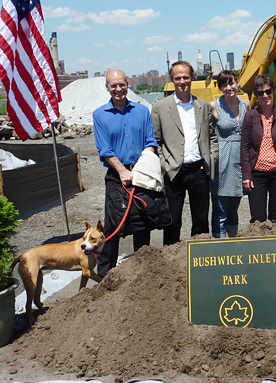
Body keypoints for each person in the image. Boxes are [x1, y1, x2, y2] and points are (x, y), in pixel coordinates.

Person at [93, 69, 157, 276]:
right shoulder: (100, 115)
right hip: (115, 175)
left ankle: (143, 269)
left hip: (141, 172)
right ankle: (105, 274)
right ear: (107, 88)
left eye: (121, 84)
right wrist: (122, 171)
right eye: (114, 85)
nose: (118, 89)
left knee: (143, 221)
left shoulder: (142, 111)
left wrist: (141, 168)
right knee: (113, 225)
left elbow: (150, 142)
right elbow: (105, 150)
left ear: (128, 84)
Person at [152, 61, 218, 245]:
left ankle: (200, 255)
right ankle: (172, 260)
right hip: (174, 172)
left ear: (192, 78)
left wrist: (210, 159)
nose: (182, 81)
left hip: (199, 170)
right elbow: (155, 141)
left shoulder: (203, 106)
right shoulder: (160, 107)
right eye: (178, 78)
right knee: (172, 220)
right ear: (172, 80)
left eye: (186, 77)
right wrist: (164, 165)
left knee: (200, 218)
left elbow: (212, 137)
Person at [241, 74, 276, 223]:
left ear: (273, 91)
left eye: (268, 91)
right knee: (258, 218)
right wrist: (246, 174)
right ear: (256, 96)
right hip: (257, 174)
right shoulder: (250, 117)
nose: (265, 95)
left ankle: (275, 246)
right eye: (260, 93)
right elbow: (245, 147)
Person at [209, 70, 249, 238]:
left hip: (241, 159)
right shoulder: (214, 106)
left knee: (234, 206)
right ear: (220, 88)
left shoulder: (245, 104)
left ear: (237, 83)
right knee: (220, 207)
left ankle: (232, 244)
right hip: (223, 159)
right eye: (224, 85)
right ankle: (219, 245)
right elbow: (209, 134)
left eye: (231, 83)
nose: (229, 87)